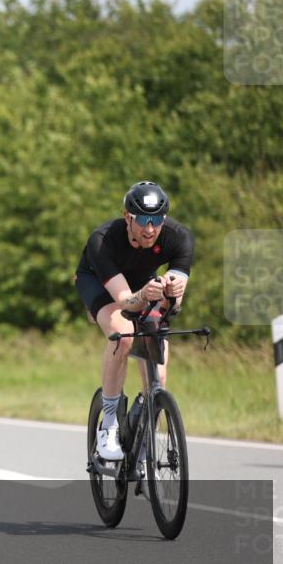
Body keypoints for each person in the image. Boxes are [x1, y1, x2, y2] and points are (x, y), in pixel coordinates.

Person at [75, 181, 193, 462]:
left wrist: (170, 295)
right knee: (123, 334)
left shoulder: (179, 238)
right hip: (102, 285)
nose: (149, 228)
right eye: (142, 220)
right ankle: (110, 425)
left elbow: (174, 303)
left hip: (142, 285)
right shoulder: (102, 240)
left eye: (156, 220)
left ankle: (142, 425)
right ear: (128, 217)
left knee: (158, 379)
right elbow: (126, 301)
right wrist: (144, 294)